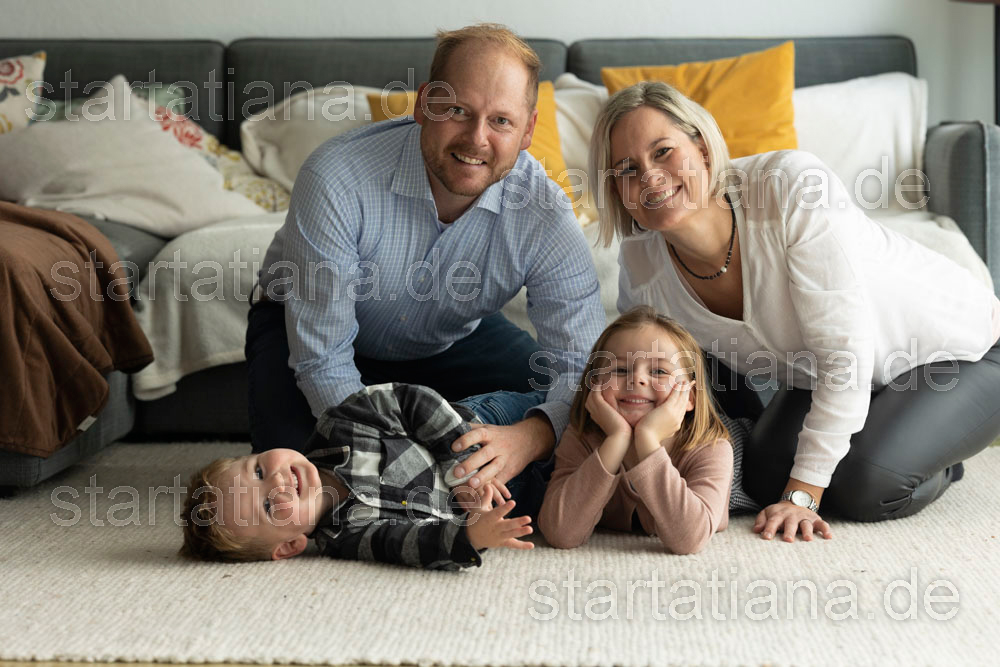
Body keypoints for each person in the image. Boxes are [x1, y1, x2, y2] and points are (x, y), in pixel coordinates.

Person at [589, 80, 1000, 541]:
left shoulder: (792, 187)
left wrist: (803, 495)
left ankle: (938, 459)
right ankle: (888, 430)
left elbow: (844, 356)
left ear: (702, 148)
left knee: (863, 485)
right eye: (627, 169)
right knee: (764, 477)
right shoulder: (642, 264)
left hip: (957, 351)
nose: (649, 177)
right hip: (832, 376)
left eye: (663, 151)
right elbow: (642, 372)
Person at [247, 24, 605, 511]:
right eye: (457, 110)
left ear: (527, 131)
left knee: (591, 429)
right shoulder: (335, 176)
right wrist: (403, 463)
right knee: (299, 494)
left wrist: (532, 435)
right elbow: (323, 360)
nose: (476, 139)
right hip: (303, 335)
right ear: (423, 105)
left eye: (501, 121)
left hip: (448, 338)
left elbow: (578, 367)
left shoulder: (544, 213)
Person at [179, 383, 535, 570]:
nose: (277, 481)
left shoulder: (341, 425)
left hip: (480, 431)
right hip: (509, 504)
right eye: (270, 506)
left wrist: (464, 471)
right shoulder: (345, 538)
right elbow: (410, 545)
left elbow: (413, 402)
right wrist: (471, 535)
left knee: (557, 405)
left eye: (258, 470)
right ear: (289, 546)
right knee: (561, 519)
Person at [538, 306, 757, 555]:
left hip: (754, 456)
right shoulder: (581, 438)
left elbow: (689, 539)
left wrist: (648, 439)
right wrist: (617, 439)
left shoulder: (713, 448)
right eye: (620, 370)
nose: (637, 379)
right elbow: (560, 532)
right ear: (593, 385)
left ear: (689, 397)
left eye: (659, 371)